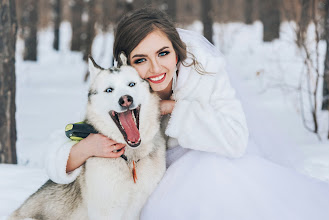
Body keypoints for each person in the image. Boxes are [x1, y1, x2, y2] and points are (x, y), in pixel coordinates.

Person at [46, 7, 329, 220]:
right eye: (141, 60)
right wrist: (81, 151)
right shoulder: (125, 87)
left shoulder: (205, 73)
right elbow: (74, 132)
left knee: (210, 178)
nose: (156, 69)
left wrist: (171, 108)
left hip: (209, 161)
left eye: (163, 53)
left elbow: (234, 139)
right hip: (152, 174)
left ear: (177, 51)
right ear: (127, 65)